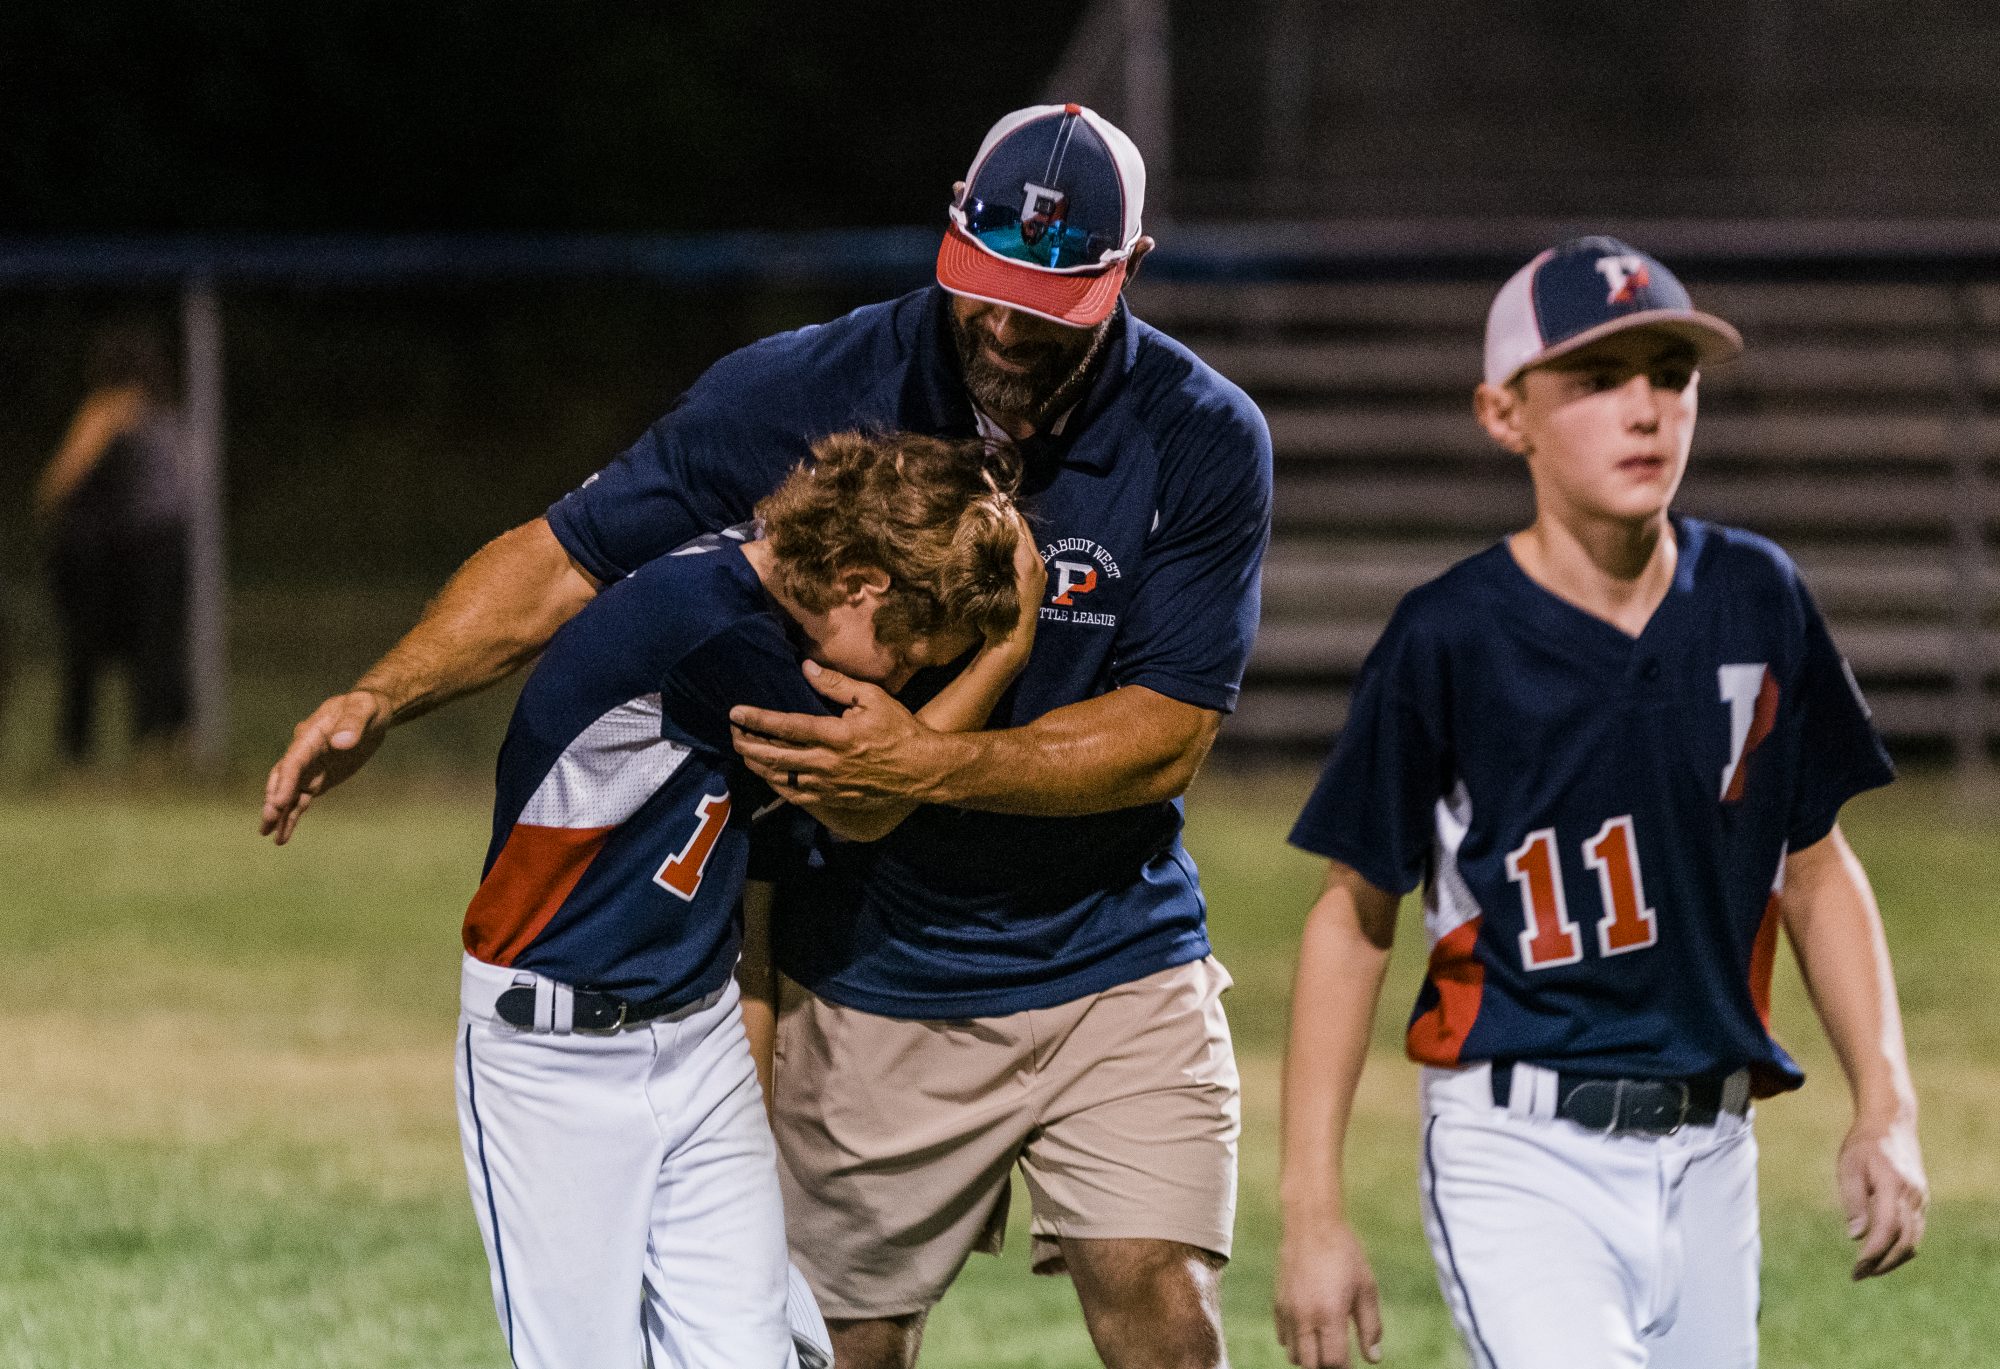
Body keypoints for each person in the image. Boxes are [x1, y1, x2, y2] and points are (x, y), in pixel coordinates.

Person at [263, 102, 1272, 1369]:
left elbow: (1165, 732)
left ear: (1125, 273)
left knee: (1165, 1309)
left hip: (1111, 945)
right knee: (829, 1349)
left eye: (1048, 306)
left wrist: (933, 761)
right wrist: (381, 694)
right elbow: (566, 559)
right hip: (867, 960)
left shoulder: (1201, 435)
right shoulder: (806, 388)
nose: (1006, 330)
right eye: (986, 291)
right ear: (949, 232)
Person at [1272, 236, 1928, 1369]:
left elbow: (1814, 864)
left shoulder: (1755, 595)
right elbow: (1353, 914)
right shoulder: (1450, 636)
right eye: (1595, 379)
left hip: (1713, 1150)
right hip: (1519, 1150)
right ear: (1501, 413)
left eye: (1669, 376)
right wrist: (1310, 1211)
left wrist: (1884, 1101)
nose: (1644, 410)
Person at [455, 429, 1038, 1368]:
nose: (900, 680)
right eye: (911, 653)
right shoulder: (716, 626)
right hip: (554, 1052)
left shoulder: (762, 599)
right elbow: (870, 801)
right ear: (860, 583)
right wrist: (1002, 655)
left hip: (696, 1030)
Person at [35, 322, 191, 764]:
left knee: (94, 654)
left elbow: (56, 486)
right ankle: (154, 745)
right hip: (159, 551)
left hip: (115, 558)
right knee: (154, 651)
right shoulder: (170, 416)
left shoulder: (107, 412)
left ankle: (83, 750)